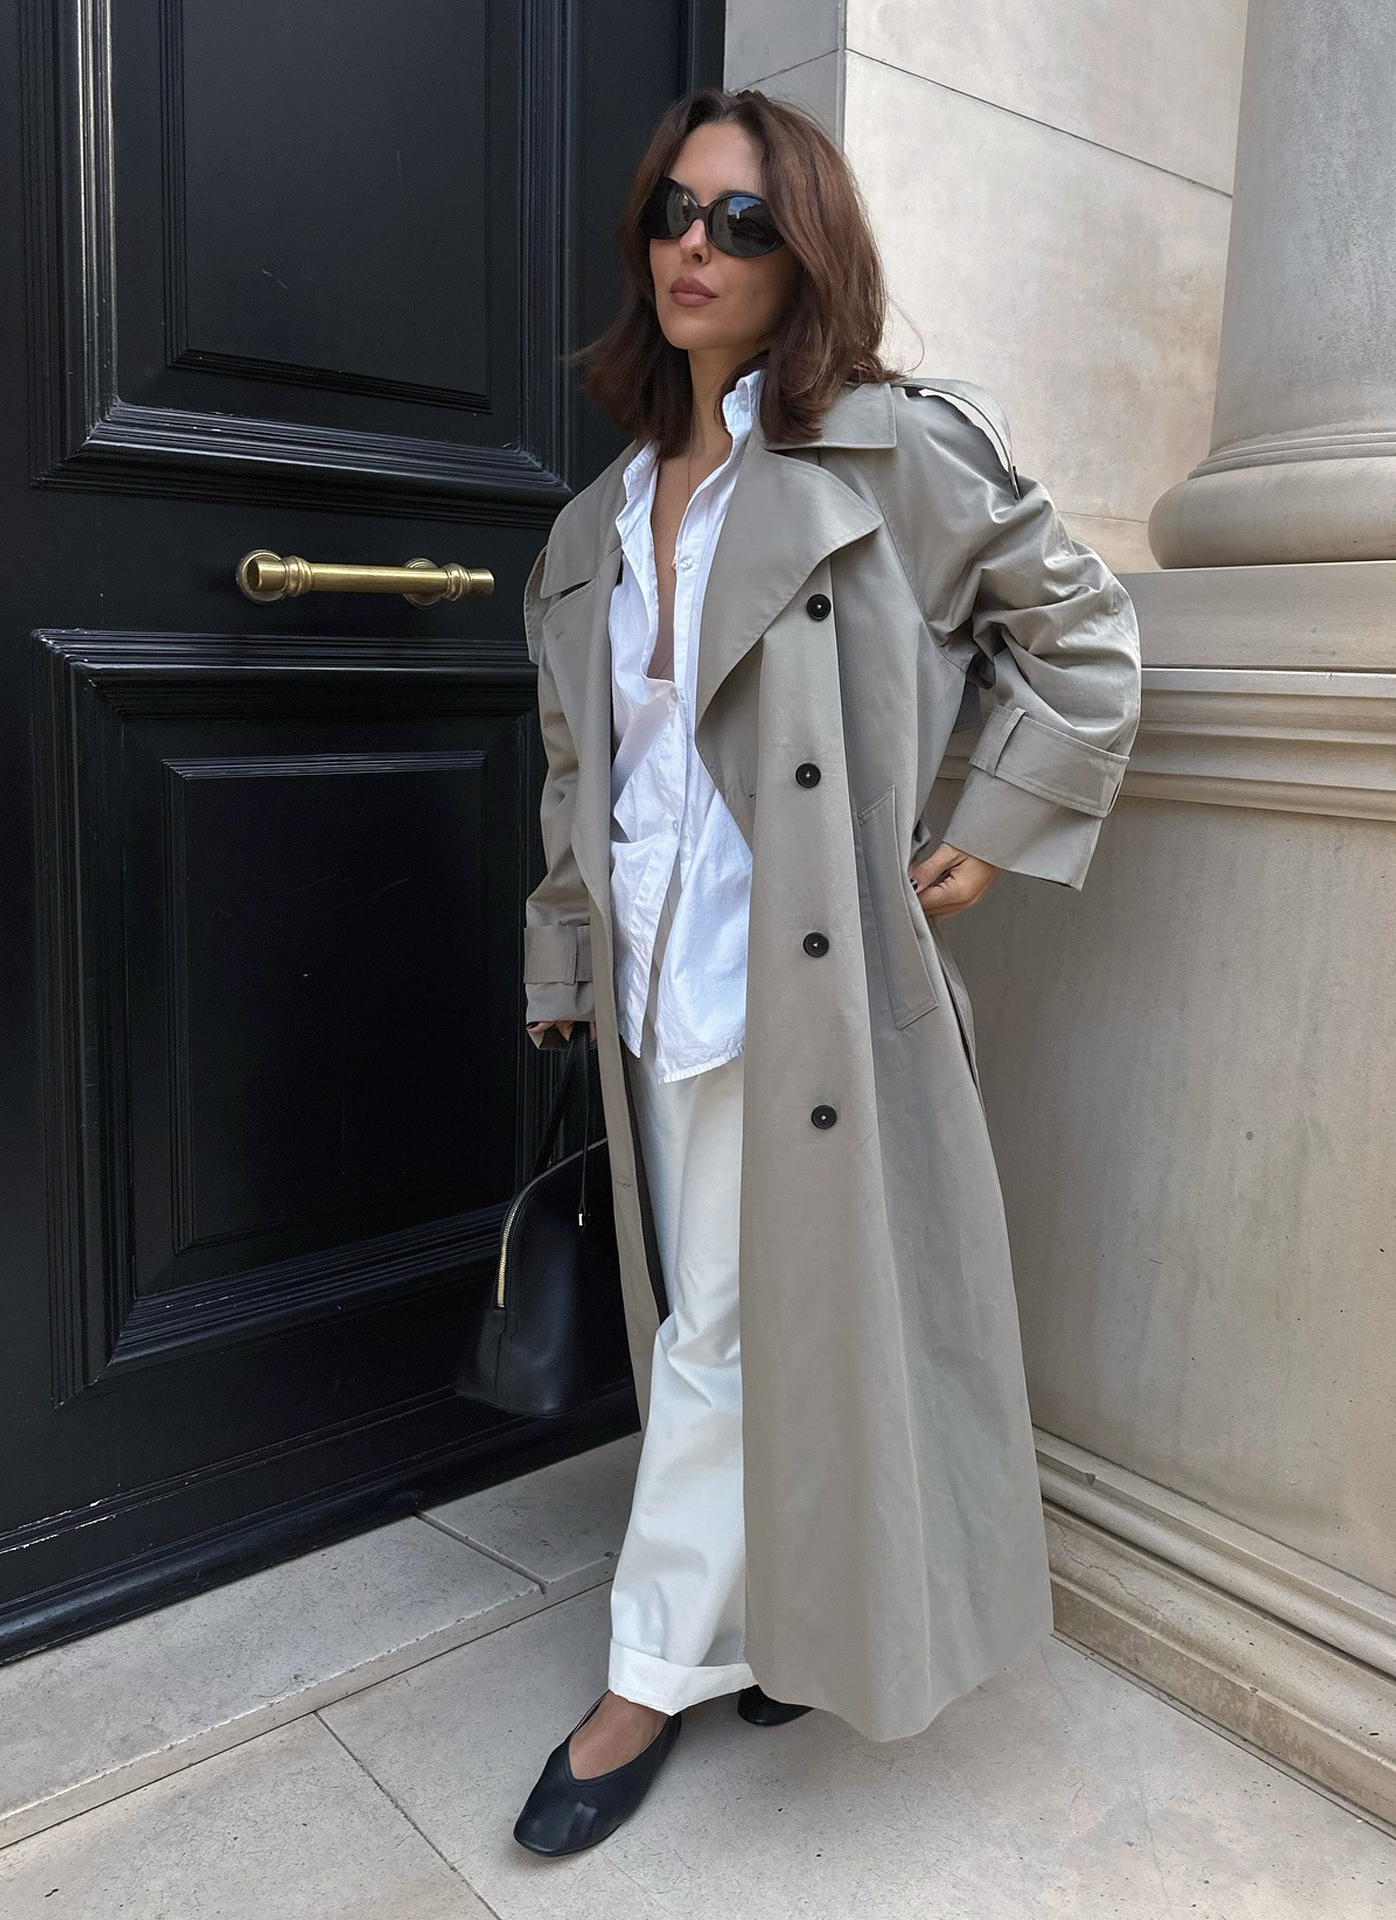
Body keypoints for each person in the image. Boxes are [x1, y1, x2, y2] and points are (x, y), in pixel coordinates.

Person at [513, 85, 1142, 1856]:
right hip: (659, 980)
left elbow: (1082, 634)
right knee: (727, 1311)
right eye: (673, 211)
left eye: (742, 221)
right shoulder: (592, 524)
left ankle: (647, 1674)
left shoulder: (894, 453)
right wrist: (565, 954)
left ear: (808, 255)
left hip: (803, 980)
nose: (694, 248)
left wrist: (990, 822)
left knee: (718, 1324)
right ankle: (771, 1622)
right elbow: (582, 775)